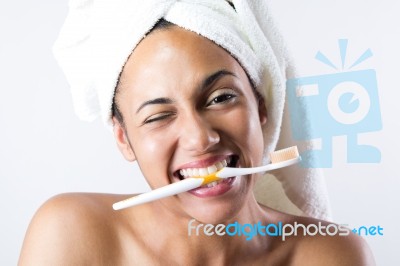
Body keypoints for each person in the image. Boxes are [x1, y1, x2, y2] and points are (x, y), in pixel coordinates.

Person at [19, 1, 374, 265]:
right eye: (159, 115)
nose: (200, 139)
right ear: (123, 138)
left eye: (220, 98)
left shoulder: (333, 254)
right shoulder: (69, 235)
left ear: (261, 105)